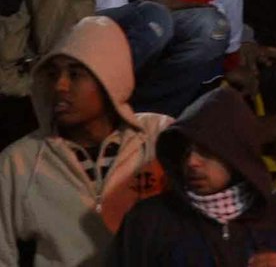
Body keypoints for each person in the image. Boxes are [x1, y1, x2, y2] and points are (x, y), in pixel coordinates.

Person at [0, 18, 170, 267]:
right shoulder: (18, 161)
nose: (60, 85)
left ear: (110, 78)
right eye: (53, 73)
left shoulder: (159, 137)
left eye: (76, 74)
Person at [110, 85, 276, 265]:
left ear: (236, 153)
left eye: (206, 150)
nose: (191, 162)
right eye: (185, 151)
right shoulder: (149, 219)